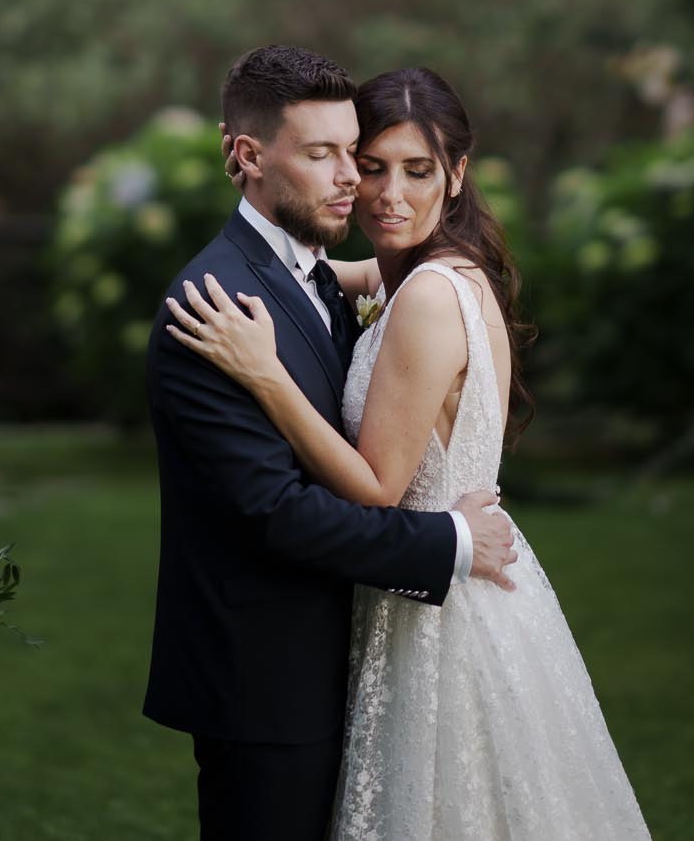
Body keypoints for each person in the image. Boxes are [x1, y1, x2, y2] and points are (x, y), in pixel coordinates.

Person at [167, 64, 653, 840]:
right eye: (369, 167)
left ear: (457, 173)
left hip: (437, 610)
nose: (389, 193)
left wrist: (266, 373)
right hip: (441, 590)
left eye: (418, 170)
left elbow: (378, 486)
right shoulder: (420, 273)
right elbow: (313, 276)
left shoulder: (427, 294)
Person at [142, 46, 520, 841]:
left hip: (364, 660)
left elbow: (365, 287)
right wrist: (449, 539)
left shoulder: (322, 271)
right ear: (246, 155)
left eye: (357, 152)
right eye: (326, 155)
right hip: (266, 685)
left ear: (455, 173)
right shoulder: (212, 311)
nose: (355, 178)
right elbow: (278, 513)